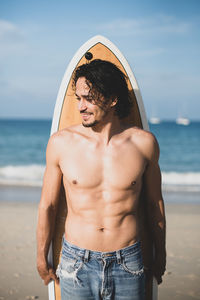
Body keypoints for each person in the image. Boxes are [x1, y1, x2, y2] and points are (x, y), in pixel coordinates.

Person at [37, 59, 166, 300]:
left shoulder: (144, 143)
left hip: (128, 261)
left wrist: (161, 254)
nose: (81, 107)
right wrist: (41, 257)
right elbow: (48, 205)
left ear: (112, 99)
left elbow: (154, 203)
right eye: (78, 98)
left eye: (89, 98)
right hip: (76, 263)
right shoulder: (61, 144)